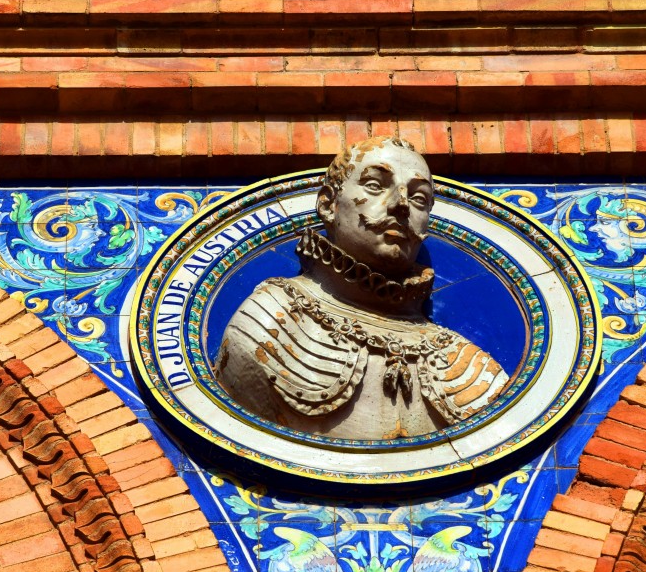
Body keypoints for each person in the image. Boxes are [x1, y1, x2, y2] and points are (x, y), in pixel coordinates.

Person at [214, 136, 508, 440]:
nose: (402, 205)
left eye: (420, 199)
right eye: (375, 186)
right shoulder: (270, 319)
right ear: (328, 204)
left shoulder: (468, 363)